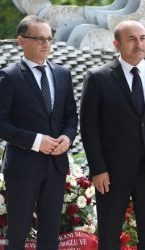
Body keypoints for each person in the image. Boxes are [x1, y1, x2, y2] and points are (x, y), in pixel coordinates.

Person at [80, 20, 145, 250]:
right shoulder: (98, 78)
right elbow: (89, 128)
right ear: (116, 44)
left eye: (143, 38)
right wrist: (98, 168)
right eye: (131, 39)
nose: (139, 44)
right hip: (111, 174)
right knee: (108, 237)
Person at [0, 15, 78, 249]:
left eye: (49, 39)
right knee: (17, 234)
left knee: (50, 234)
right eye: (39, 39)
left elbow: (71, 116)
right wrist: (35, 141)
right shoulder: (8, 76)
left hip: (55, 166)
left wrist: (67, 137)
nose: (46, 44)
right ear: (21, 41)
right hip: (23, 167)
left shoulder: (63, 74)